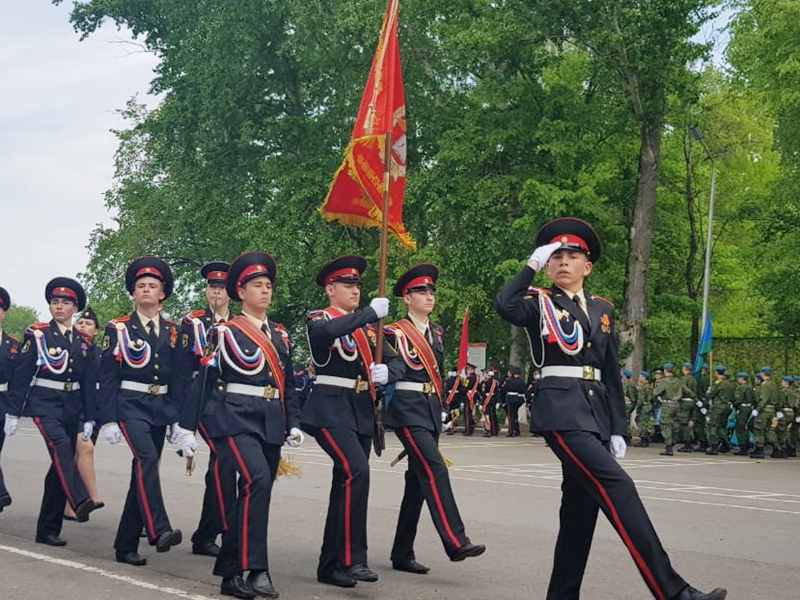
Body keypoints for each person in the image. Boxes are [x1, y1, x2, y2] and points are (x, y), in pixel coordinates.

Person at [495, 216, 727, 600]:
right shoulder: (539, 303)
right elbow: (505, 304)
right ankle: (673, 592)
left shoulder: (602, 309)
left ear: (587, 266)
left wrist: (618, 426)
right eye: (556, 257)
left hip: (595, 415)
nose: (563, 262)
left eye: (572, 256)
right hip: (561, 411)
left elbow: (610, 371)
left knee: (579, 514)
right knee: (619, 486)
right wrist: (531, 264)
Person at [178, 251, 303, 599]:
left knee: (256, 493)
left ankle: (231, 572)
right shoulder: (224, 332)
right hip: (234, 417)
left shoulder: (280, 334)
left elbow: (288, 384)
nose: (264, 291)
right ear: (241, 292)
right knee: (257, 480)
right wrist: (187, 427)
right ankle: (258, 569)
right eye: (257, 285)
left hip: (271, 419)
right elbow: (204, 378)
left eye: (268, 286)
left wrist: (293, 422)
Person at [300, 254, 402, 588]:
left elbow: (398, 361)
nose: (355, 290)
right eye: (347, 284)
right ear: (330, 289)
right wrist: (369, 314)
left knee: (344, 482)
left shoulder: (369, 331)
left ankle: (330, 565)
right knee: (356, 471)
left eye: (357, 284)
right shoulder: (320, 319)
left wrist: (388, 372)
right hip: (329, 410)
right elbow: (328, 332)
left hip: (360, 411)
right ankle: (354, 557)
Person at [384, 263, 486, 575]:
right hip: (405, 408)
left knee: (417, 482)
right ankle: (455, 541)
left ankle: (402, 553)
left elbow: (437, 374)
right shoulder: (393, 332)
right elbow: (395, 369)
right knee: (434, 467)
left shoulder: (437, 332)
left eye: (431, 291)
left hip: (428, 408)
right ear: (407, 297)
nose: (429, 296)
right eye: (421, 291)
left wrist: (441, 406)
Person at [98, 257, 183, 566]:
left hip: (160, 407)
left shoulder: (174, 331)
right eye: (141, 285)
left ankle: (125, 545)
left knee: (142, 474)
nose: (146, 289)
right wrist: (108, 419)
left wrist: (177, 419)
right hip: (130, 405)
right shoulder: (119, 328)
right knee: (146, 460)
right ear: (133, 293)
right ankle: (159, 529)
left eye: (152, 285)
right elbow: (107, 377)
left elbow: (178, 378)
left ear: (163, 293)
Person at [5, 278, 99, 546]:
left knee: (59, 466)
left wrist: (89, 417)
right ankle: (80, 499)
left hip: (72, 404)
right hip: (44, 402)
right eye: (55, 302)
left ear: (75, 308)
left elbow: (88, 382)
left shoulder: (83, 341)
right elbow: (23, 374)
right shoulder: (38, 334)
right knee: (60, 447)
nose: (59, 307)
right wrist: (13, 412)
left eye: (65, 303)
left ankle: (47, 529)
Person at [177, 261, 237, 558]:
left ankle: (206, 534)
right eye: (213, 287)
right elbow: (182, 368)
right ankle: (227, 530)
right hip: (201, 398)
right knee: (224, 459)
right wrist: (180, 418)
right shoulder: (194, 322)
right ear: (206, 291)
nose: (217, 292)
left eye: (222, 288)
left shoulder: (240, 322)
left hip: (231, 402)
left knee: (224, 465)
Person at [64, 307, 104, 520]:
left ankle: (70, 507)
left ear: (96, 331)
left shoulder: (100, 353)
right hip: (75, 405)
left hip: (95, 407)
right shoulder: (71, 347)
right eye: (80, 323)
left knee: (79, 454)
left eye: (88, 324)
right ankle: (93, 496)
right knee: (85, 447)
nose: (83, 326)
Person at [0, 287, 20, 513]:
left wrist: (15, 409)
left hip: (2, 402)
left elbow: (18, 379)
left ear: (4, 313)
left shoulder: (13, 344)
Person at [503, 366, 526, 436]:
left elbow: (503, 390)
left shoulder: (509, 381)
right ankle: (516, 430)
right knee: (515, 415)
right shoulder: (521, 381)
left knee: (510, 416)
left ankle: (511, 431)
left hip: (511, 399)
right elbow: (524, 390)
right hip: (518, 399)